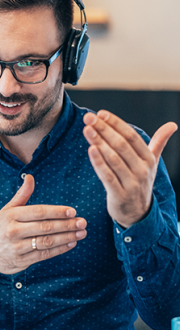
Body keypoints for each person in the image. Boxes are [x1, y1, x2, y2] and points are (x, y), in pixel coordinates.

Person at [0, 0, 179, 329]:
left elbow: (170, 315)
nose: (6, 88)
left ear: (70, 58)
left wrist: (138, 218)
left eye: (28, 63)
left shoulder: (127, 156)